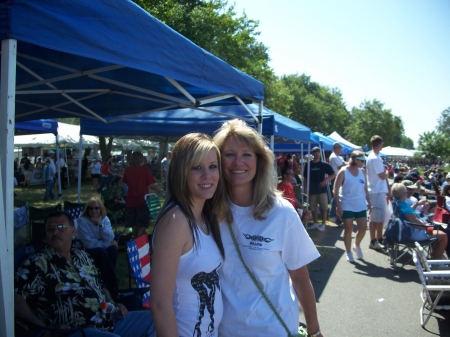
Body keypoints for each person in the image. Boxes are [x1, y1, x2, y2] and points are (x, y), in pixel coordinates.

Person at [213, 119, 324, 337]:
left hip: (273, 329)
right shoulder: (209, 212)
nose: (238, 162)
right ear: (217, 160)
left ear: (259, 161)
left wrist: (314, 330)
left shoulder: (281, 213)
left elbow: (300, 278)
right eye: (229, 154)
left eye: (247, 154)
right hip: (223, 331)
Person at [15, 210, 156, 337]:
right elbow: (14, 298)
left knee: (155, 321)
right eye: (50, 229)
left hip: (108, 320)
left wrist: (113, 305)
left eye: (61, 228)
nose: (55, 232)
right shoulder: (36, 264)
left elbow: (100, 286)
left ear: (73, 231)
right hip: (75, 330)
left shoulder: (84, 257)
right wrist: (43, 328)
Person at [151, 133, 225, 337]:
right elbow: (158, 303)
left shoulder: (205, 217)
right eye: (196, 167)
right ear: (180, 172)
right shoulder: (176, 221)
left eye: (212, 166)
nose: (207, 176)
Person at [391, 183, 447, 259]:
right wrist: (427, 227)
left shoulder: (397, 203)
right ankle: (437, 260)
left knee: (437, 230)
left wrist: (418, 204)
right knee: (444, 235)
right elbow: (414, 222)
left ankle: (437, 255)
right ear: (405, 193)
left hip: (407, 230)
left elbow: (410, 215)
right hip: (413, 233)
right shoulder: (403, 206)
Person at [76, 198, 119, 295]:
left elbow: (110, 237)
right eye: (91, 208)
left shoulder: (104, 219)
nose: (94, 211)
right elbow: (89, 244)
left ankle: (108, 281)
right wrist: (107, 243)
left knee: (113, 250)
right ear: (87, 210)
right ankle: (113, 282)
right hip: (85, 249)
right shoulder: (82, 221)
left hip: (99, 247)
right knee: (102, 252)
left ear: (101, 209)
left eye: (96, 208)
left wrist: (100, 225)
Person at [333, 150, 371, 262]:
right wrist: (338, 205)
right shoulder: (343, 171)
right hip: (347, 203)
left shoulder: (362, 171)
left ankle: (356, 245)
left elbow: (365, 188)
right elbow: (335, 189)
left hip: (360, 204)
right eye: (361, 160)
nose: (363, 162)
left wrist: (369, 202)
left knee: (363, 229)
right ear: (354, 160)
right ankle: (348, 252)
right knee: (348, 228)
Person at [123, 151, 165, 238]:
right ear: (141, 159)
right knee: (143, 223)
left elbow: (126, 183)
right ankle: (139, 240)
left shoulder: (127, 170)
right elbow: (151, 185)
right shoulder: (145, 170)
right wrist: (160, 190)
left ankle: (136, 240)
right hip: (142, 200)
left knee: (133, 223)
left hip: (131, 200)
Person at [366, 135, 390, 251]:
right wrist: (387, 173)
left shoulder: (375, 157)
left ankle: (378, 238)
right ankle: (373, 240)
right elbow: (382, 175)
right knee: (375, 217)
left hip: (378, 190)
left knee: (379, 217)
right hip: (376, 190)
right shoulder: (374, 158)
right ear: (379, 144)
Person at [303, 146, 336, 231]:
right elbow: (305, 177)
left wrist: (326, 180)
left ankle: (323, 224)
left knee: (324, 207)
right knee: (313, 207)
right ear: (312, 153)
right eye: (315, 152)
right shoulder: (308, 164)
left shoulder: (324, 164)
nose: (317, 154)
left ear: (320, 153)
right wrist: (305, 187)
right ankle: (315, 223)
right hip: (312, 189)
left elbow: (333, 174)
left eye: (318, 152)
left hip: (322, 190)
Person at [329, 142, 346, 226]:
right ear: (336, 148)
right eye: (340, 148)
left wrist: (345, 163)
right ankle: (332, 215)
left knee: (339, 196)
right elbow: (341, 166)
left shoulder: (338, 157)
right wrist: (347, 164)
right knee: (335, 196)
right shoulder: (333, 157)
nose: (341, 150)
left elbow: (344, 163)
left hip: (340, 178)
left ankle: (338, 215)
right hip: (335, 178)